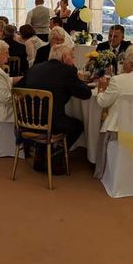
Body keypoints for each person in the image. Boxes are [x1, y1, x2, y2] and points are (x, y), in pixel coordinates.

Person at [17, 44, 92, 173]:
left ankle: (41, 155)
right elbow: (86, 94)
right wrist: (75, 73)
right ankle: (54, 156)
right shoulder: (67, 71)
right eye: (72, 57)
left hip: (27, 121)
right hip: (52, 123)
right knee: (78, 125)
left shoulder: (35, 68)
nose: (73, 60)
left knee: (50, 116)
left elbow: (18, 88)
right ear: (64, 57)